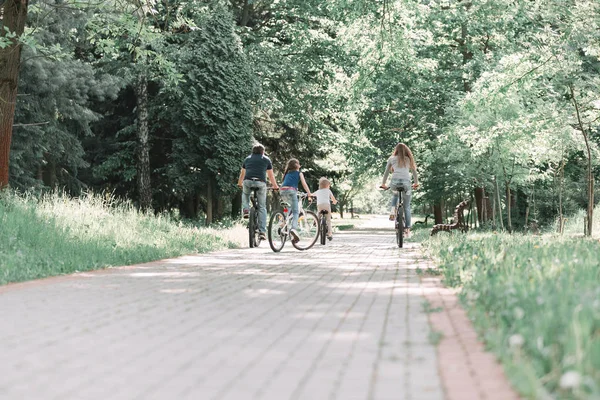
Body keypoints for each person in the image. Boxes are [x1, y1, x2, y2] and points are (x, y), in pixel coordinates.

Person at [237, 144, 279, 240]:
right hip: (260, 183)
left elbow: (242, 173)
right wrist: (275, 187)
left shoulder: (247, 159)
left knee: (246, 193)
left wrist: (239, 184)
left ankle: (246, 210)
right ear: (262, 152)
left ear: (253, 151)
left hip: (248, 182)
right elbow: (271, 176)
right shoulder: (266, 159)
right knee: (262, 207)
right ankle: (262, 232)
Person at [380, 143, 419, 237]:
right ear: (406, 150)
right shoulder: (408, 159)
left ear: (396, 150)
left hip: (394, 183)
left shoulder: (391, 159)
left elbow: (386, 172)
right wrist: (416, 183)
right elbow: (414, 173)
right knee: (407, 207)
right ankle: (407, 229)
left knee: (395, 194)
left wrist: (383, 184)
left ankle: (393, 209)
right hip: (406, 184)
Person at [280, 158, 312, 241]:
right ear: (297, 166)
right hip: (291, 191)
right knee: (296, 212)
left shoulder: (286, 173)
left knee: (288, 209)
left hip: (282, 191)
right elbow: (304, 184)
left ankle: (282, 223)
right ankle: (293, 229)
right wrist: (309, 194)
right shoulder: (299, 173)